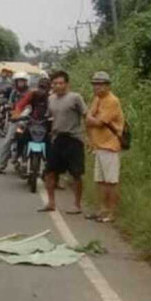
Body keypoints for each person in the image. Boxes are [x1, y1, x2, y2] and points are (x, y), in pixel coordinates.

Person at [39, 70, 88, 214]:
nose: (58, 86)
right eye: (55, 83)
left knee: (76, 174)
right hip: (57, 139)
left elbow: (86, 115)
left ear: (67, 84)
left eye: (61, 83)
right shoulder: (51, 99)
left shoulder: (75, 98)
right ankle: (51, 203)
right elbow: (50, 117)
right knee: (50, 172)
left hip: (73, 139)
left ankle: (77, 205)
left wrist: (89, 136)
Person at [86, 71, 125, 223]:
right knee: (100, 180)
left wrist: (91, 119)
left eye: (100, 84)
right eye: (95, 84)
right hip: (99, 144)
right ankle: (102, 210)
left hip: (110, 145)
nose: (97, 87)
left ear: (107, 86)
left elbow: (98, 122)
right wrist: (90, 119)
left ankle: (111, 212)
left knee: (111, 181)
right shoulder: (97, 99)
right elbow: (88, 117)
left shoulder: (111, 100)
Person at [0, 72, 30, 174]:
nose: (20, 83)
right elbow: (11, 104)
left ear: (26, 82)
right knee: (8, 141)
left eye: (22, 81)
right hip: (16, 120)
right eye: (19, 81)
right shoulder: (14, 93)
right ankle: (1, 165)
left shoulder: (31, 93)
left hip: (29, 121)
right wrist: (8, 108)